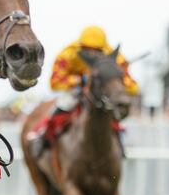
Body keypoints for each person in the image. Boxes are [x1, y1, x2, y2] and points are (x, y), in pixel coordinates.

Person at [30, 25, 139, 155]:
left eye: (97, 50)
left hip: (101, 93)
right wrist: (79, 80)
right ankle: (44, 136)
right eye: (87, 49)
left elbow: (132, 86)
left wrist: (113, 79)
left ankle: (121, 142)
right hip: (76, 91)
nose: (92, 54)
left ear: (103, 48)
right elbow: (55, 82)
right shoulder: (67, 54)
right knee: (64, 103)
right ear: (80, 46)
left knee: (115, 108)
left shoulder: (116, 58)